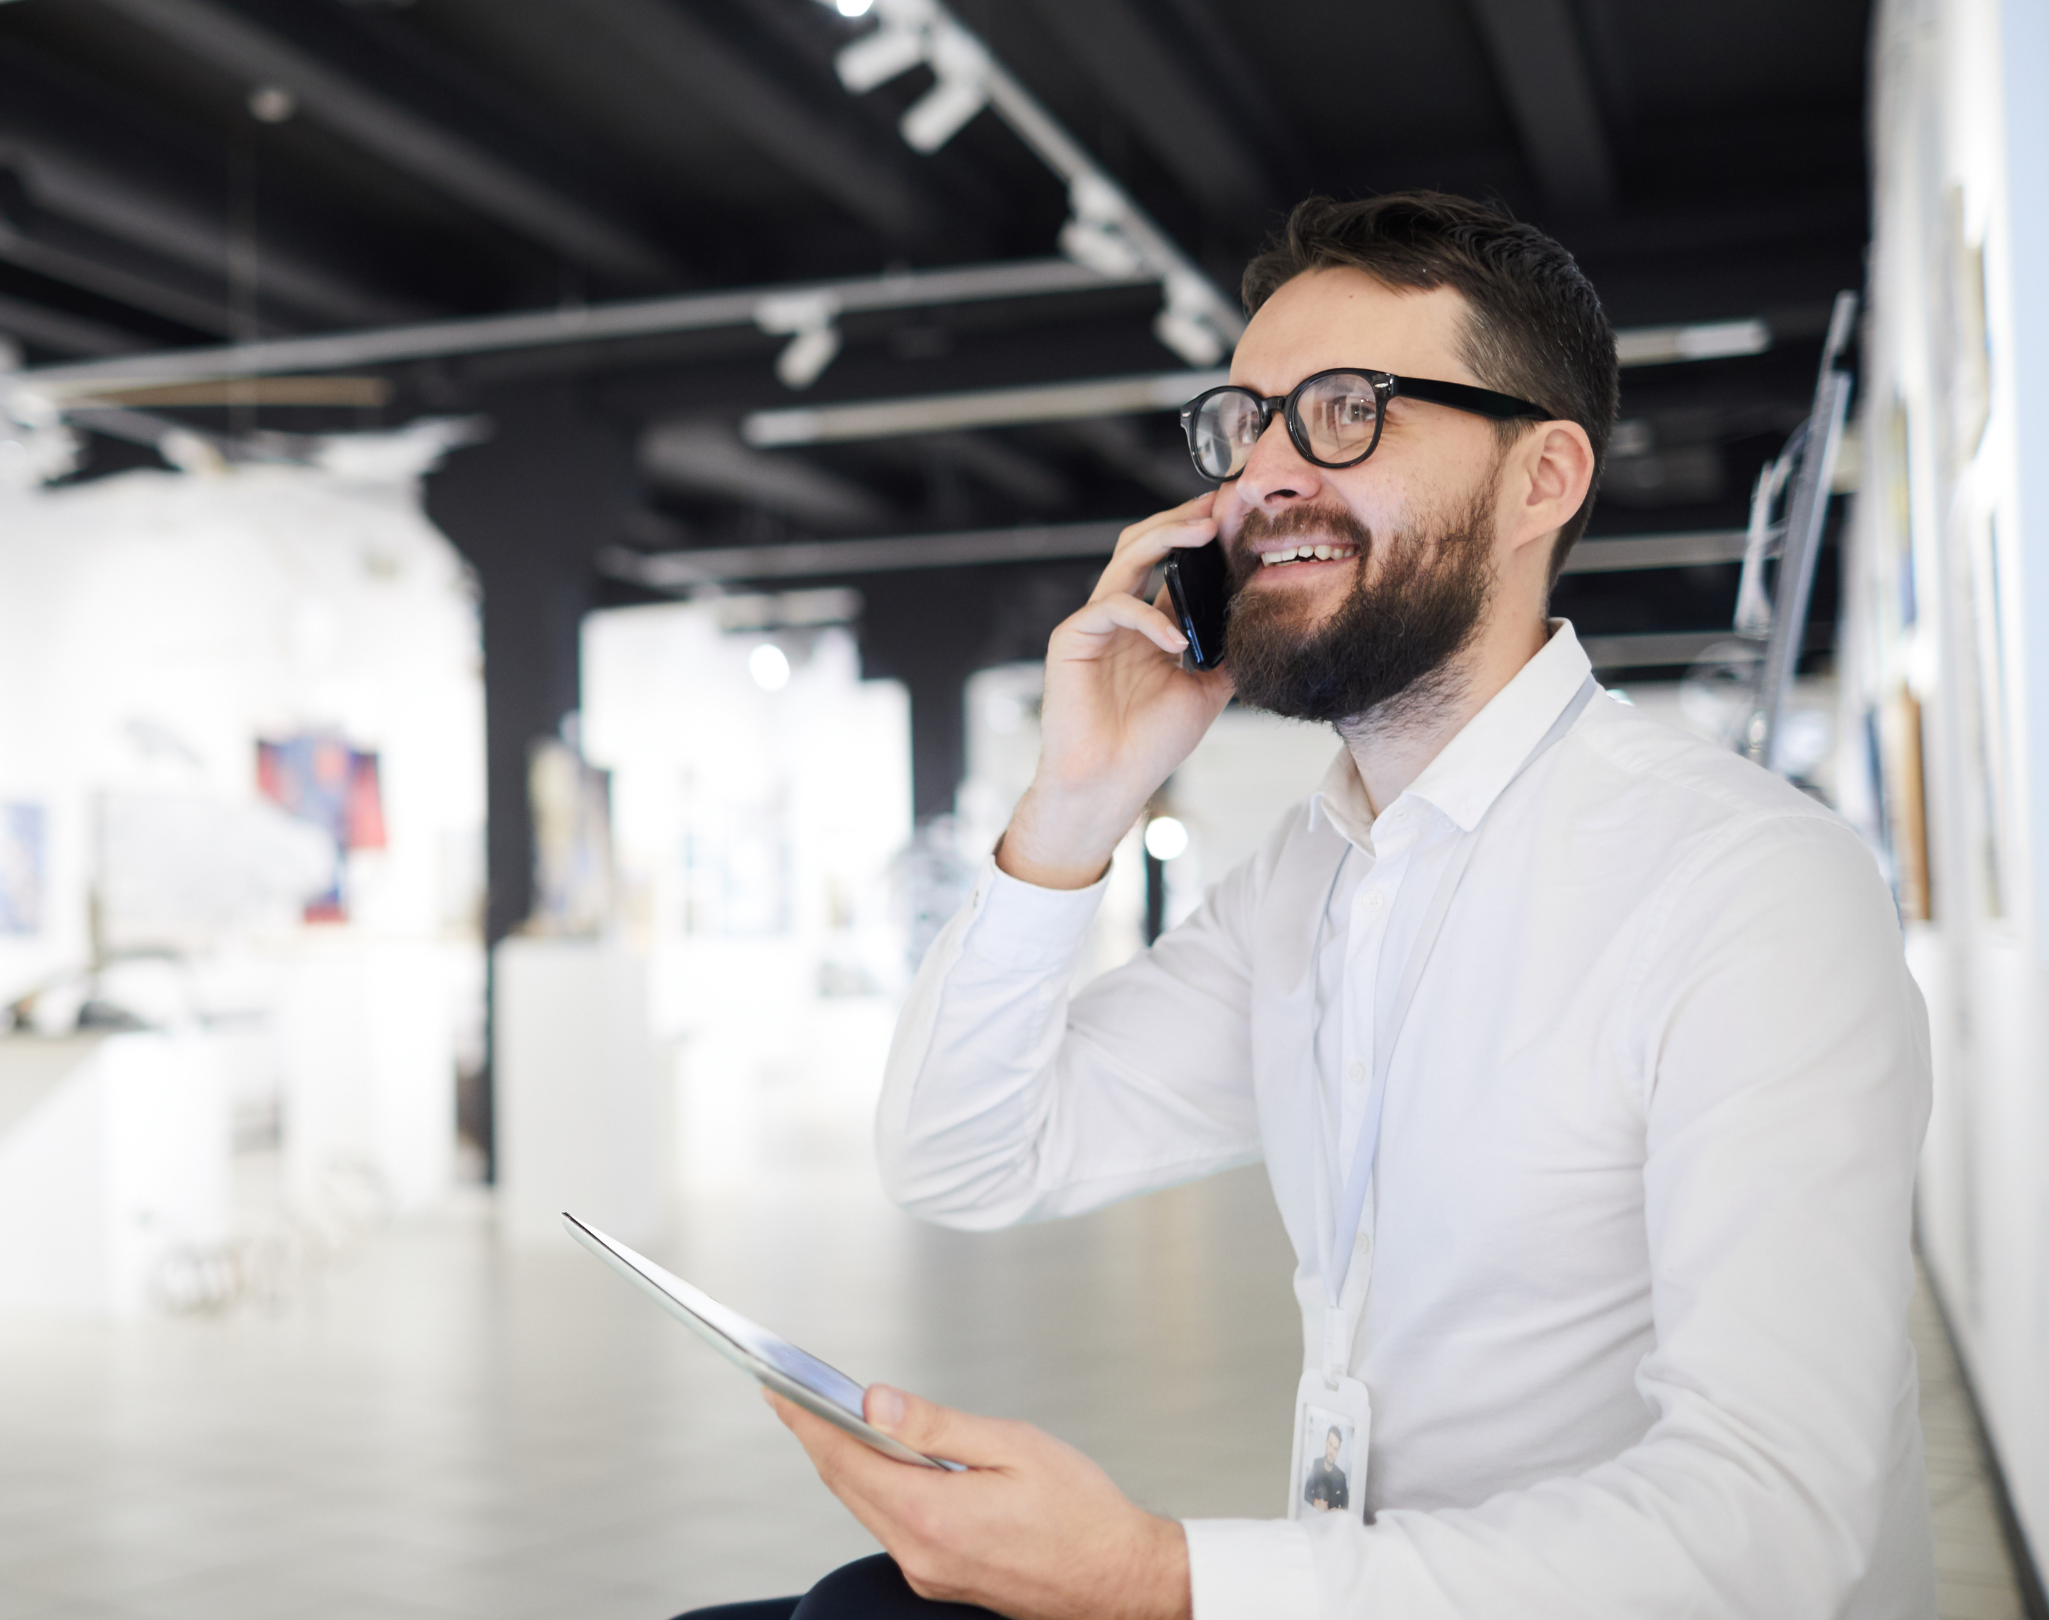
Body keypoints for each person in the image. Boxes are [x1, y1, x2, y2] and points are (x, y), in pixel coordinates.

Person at [675, 192, 1932, 1620]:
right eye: (1247, 422)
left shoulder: (1747, 887)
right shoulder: (1312, 873)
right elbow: (968, 1154)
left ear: (1543, 479)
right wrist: (1081, 803)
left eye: (1345, 411)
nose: (1262, 474)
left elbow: (1774, 1529)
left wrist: (1163, 1579)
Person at [1300, 1428, 1347, 1515]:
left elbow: (1347, 1504)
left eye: (1335, 1448)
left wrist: (1339, 1510)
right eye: (1330, 1444)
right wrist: (1315, 1502)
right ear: (1326, 1444)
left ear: (1338, 1452)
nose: (1332, 1451)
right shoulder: (1317, 1464)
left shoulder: (1341, 1476)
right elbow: (1306, 1491)